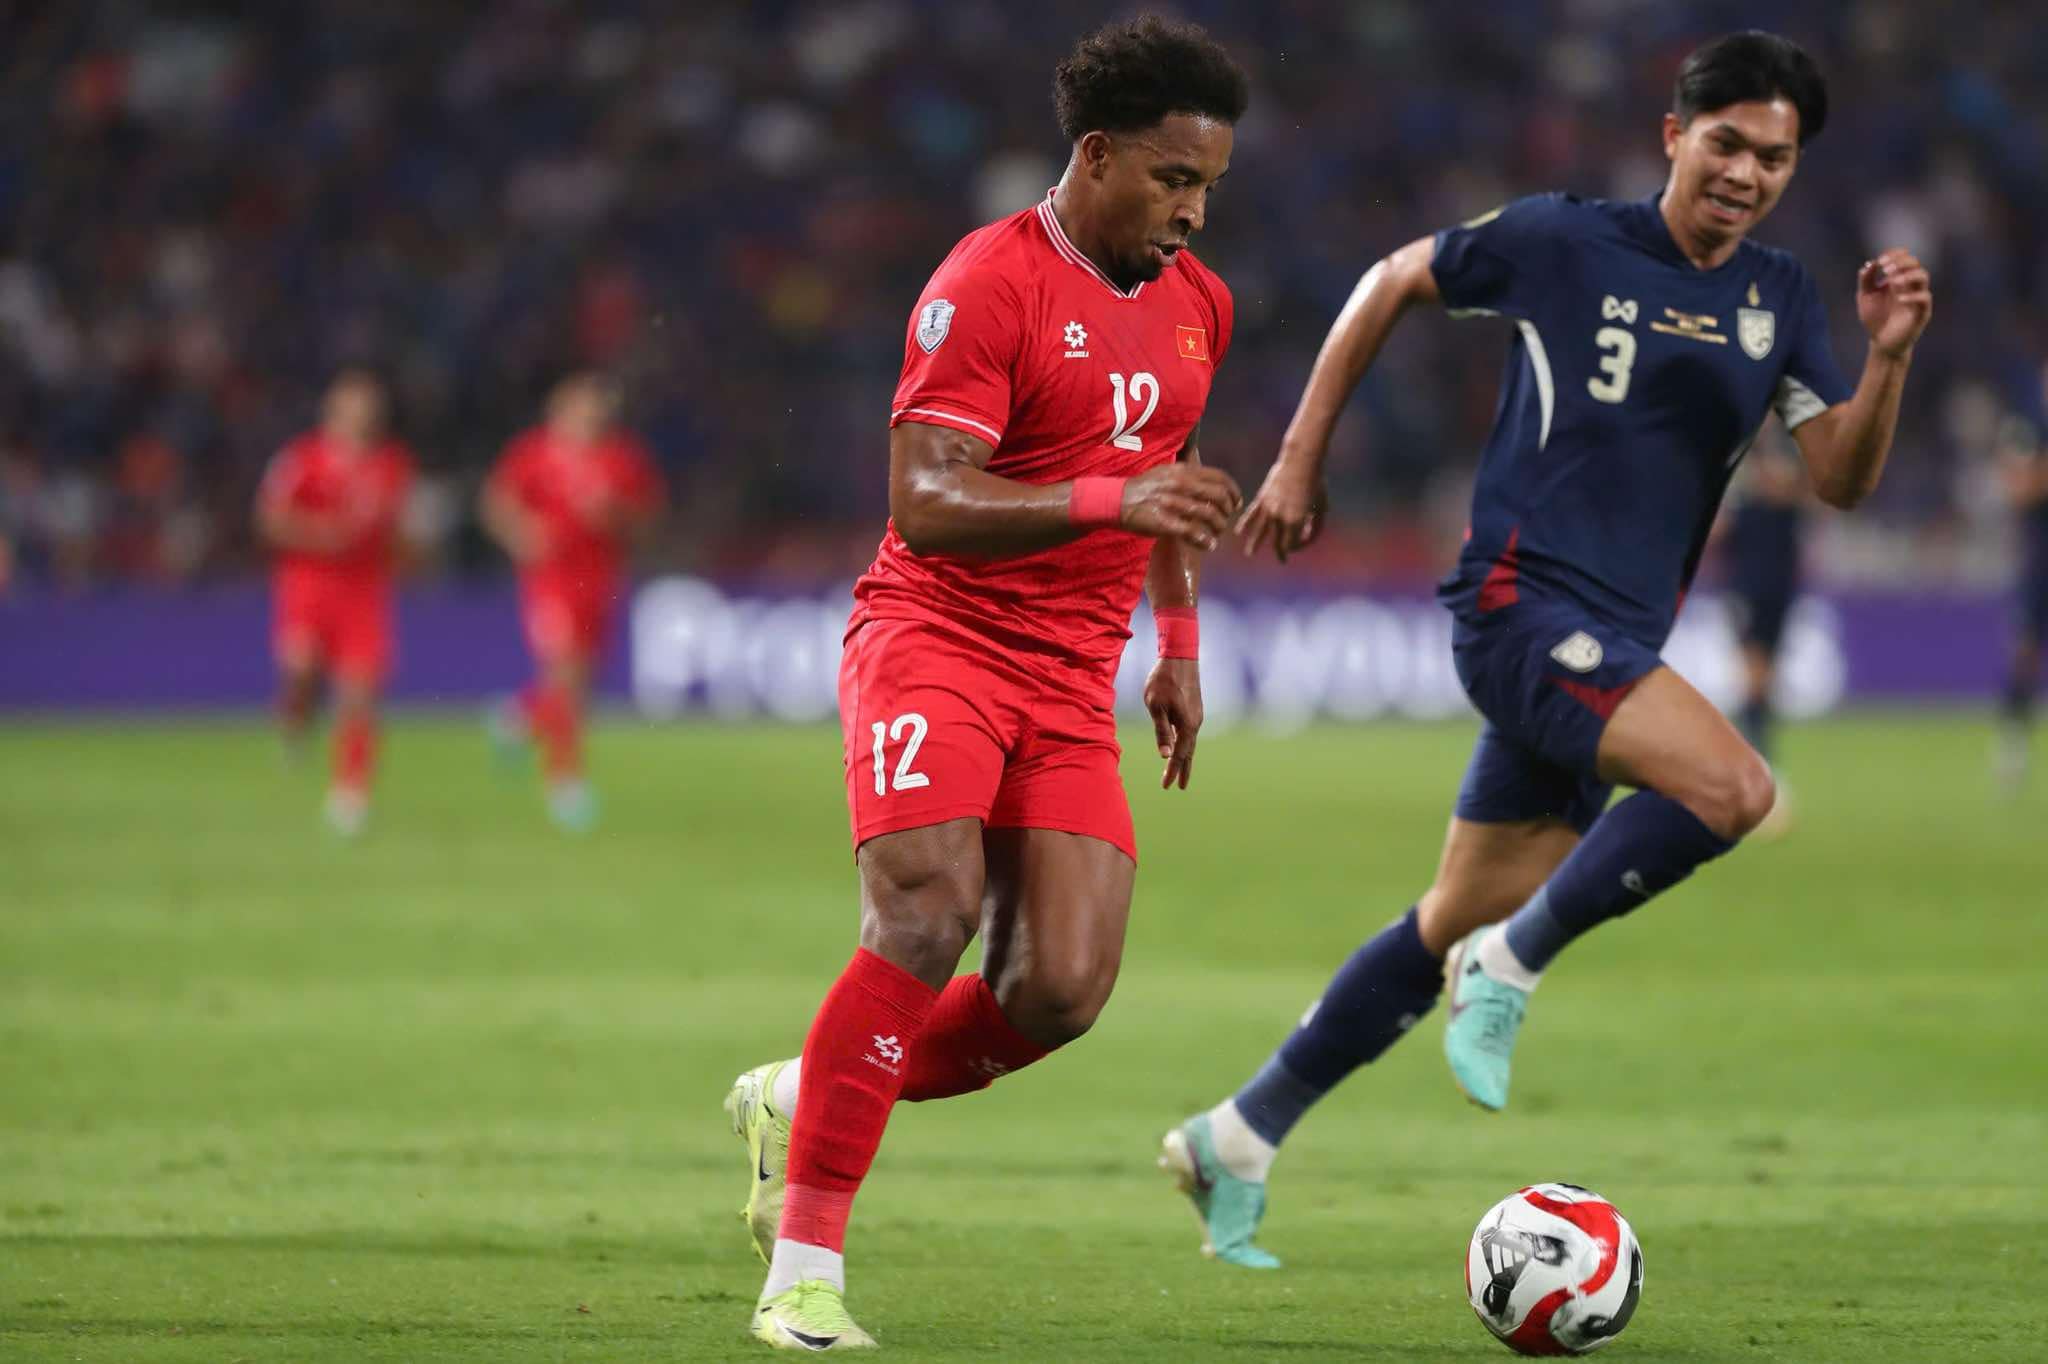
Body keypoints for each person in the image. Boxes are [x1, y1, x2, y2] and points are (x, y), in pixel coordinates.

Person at [1162, 31, 1933, 1270]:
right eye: (1725, 142)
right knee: (1731, 786)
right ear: (1673, 135)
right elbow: (1388, 280)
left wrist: (1886, 356)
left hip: (1614, 638)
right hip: (1519, 606)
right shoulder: (1561, 240)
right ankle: (1510, 967)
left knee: (1452, 907)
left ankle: (1235, 1135)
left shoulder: (1778, 296)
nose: (1744, 172)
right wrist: (1301, 453)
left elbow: (1837, 474)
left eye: (1773, 157)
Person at [723, 16, 1248, 1350]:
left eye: (1207, 188)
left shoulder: (1201, 309)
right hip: (939, 641)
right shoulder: (989, 281)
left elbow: (1169, 493)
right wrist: (1108, 496)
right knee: (925, 912)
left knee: (1061, 990)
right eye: (1172, 180)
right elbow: (926, 500)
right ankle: (804, 1269)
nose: (1191, 213)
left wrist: (1175, 647)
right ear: (1096, 155)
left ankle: (817, 1082)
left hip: (1071, 679)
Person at [480, 373, 663, 830]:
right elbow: (495, 502)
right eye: (582, 407)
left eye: (597, 409)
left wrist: (615, 514)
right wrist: (521, 533)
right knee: (564, 672)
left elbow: (648, 515)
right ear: (560, 410)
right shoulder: (534, 453)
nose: (592, 416)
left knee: (578, 686)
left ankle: (519, 719)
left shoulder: (620, 458)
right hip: (551, 579)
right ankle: (565, 783)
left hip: (600, 579)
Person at [257, 368, 417, 836]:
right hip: (308, 582)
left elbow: (397, 526)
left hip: (364, 590)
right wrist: (317, 533)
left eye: (369, 410)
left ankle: (351, 793)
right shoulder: (302, 459)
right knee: (301, 668)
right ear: (334, 411)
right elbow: (270, 519)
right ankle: (295, 723)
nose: (362, 417)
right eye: (353, 408)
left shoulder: (391, 464)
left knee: (360, 691)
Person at [1721, 441, 1807, 833]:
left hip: (1779, 598)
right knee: (1754, 681)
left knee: (1764, 684)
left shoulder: (1790, 508)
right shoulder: (1744, 510)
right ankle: (1761, 776)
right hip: (1748, 596)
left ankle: (1753, 770)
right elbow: (1716, 540)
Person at [1995, 412, 2047, 788]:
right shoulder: (2032, 425)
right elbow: (2018, 489)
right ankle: (2012, 748)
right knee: (2026, 651)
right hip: (2041, 562)